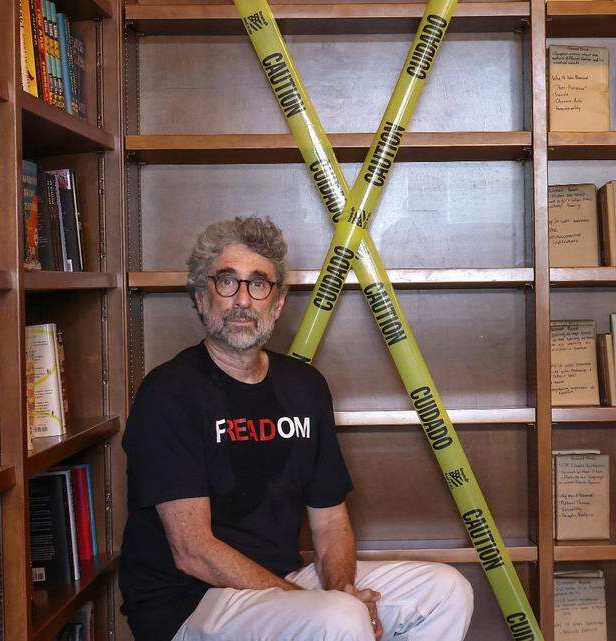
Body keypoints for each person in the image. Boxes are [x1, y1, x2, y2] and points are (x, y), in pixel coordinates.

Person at [119, 216, 474, 641]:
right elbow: (193, 552)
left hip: (279, 581)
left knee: (446, 590)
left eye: (259, 284)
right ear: (200, 297)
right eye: (227, 282)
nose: (243, 301)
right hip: (189, 602)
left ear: (279, 302)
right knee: (338, 618)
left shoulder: (304, 387)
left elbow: (329, 520)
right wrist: (323, 603)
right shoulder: (169, 393)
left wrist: (343, 588)